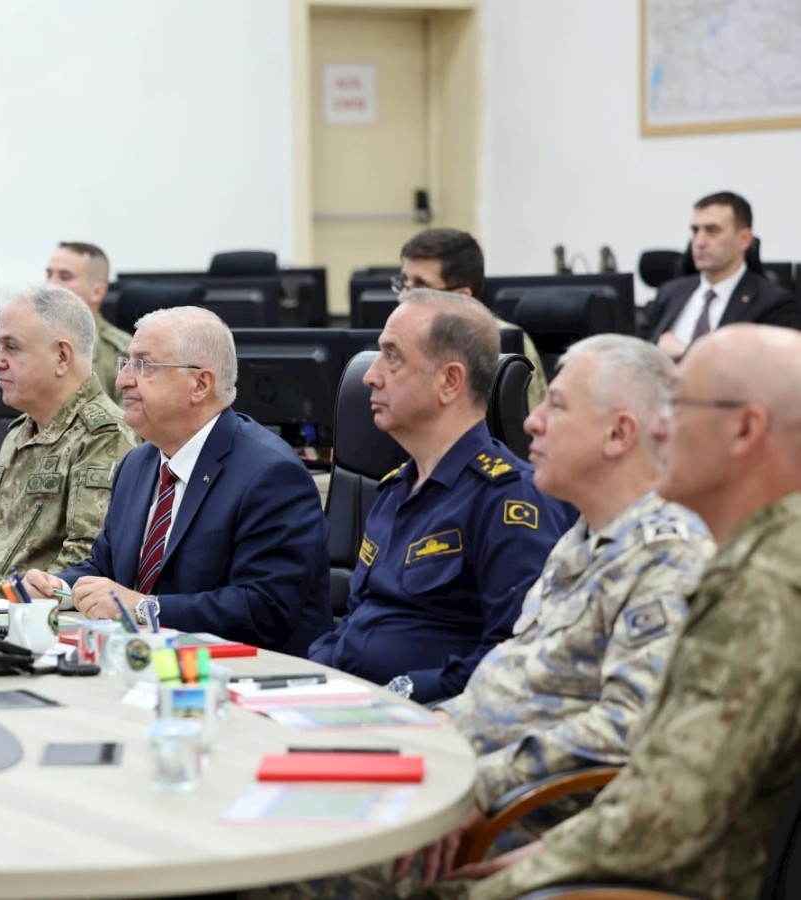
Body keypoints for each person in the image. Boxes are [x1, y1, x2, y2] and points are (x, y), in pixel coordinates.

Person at [442, 324, 801, 900]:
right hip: (584, 849)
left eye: (680, 406)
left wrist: (499, 874)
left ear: (746, 429)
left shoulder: (760, 582)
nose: (658, 427)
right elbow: (658, 783)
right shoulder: (754, 556)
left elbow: (676, 805)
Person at [309, 290, 574, 704]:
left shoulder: (508, 500)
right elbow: (356, 618)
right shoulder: (395, 489)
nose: (371, 376)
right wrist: (314, 676)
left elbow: (514, 654)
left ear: (450, 381)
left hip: (428, 717)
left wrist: (402, 692)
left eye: (392, 357)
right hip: (348, 702)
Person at [24, 306, 331, 657]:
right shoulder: (137, 463)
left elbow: (263, 608)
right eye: (126, 364)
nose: (122, 380)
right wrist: (59, 586)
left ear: (200, 384)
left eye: (144, 365)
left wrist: (142, 607)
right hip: (143, 662)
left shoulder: (271, 474)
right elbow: (106, 566)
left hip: (241, 675)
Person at [0, 285, 137, 593]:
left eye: (11, 347)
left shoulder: (103, 436)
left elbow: (86, 560)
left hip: (31, 623)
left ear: (62, 356)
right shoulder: (20, 431)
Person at [396, 228, 547, 412]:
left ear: (462, 297)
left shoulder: (503, 341)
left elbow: (531, 428)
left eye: (421, 287)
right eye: (404, 283)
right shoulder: (396, 338)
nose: (403, 297)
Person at [641, 191, 800, 360]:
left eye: (712, 230)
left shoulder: (773, 303)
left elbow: (767, 371)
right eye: (696, 231)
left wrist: (688, 352)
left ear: (744, 239)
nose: (699, 242)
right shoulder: (670, 292)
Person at [46, 241, 132, 404]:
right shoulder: (34, 341)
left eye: (65, 277)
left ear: (97, 292)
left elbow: (130, 425)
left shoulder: (122, 352)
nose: (51, 284)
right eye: (49, 274)